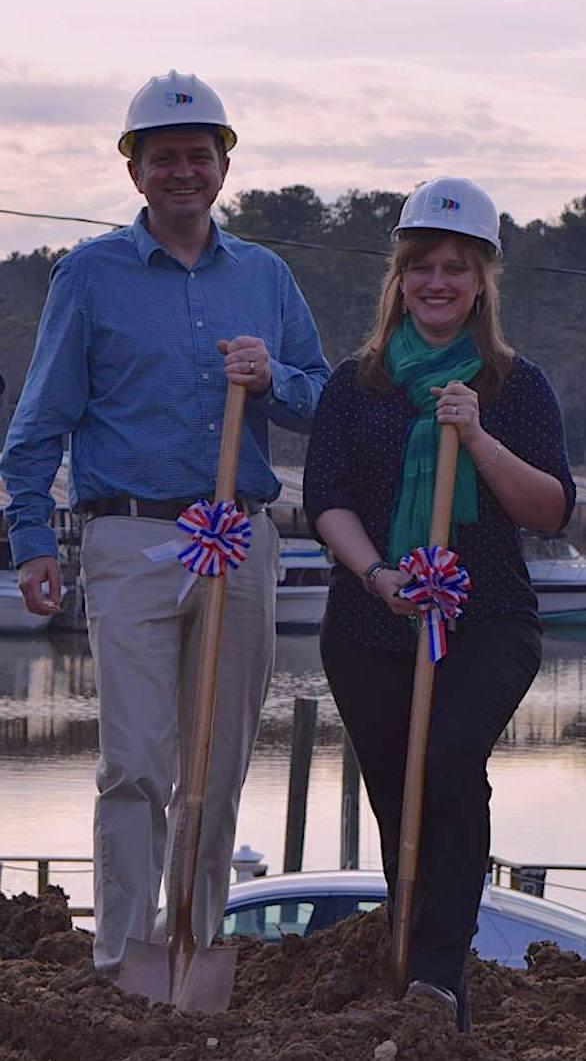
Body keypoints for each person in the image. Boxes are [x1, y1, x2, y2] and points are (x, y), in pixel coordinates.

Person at [1, 69, 330, 977]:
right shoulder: (90, 276)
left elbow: (326, 395)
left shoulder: (266, 275)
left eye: (199, 155)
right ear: (135, 170)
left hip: (239, 537)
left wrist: (275, 379)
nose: (183, 172)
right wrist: (33, 540)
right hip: (129, 536)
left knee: (215, 768)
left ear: (224, 166)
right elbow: (39, 421)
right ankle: (121, 961)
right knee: (136, 762)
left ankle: (193, 949)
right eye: (163, 158)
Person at [303, 177, 575, 1031]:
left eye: (457, 267)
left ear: (482, 280)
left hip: (487, 616)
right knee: (400, 792)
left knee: (450, 759)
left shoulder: (514, 383)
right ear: (399, 276)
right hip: (369, 624)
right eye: (423, 266)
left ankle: (438, 975)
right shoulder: (358, 384)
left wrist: (479, 437)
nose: (438, 282)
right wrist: (379, 575)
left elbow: (550, 508)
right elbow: (326, 498)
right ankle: (414, 968)